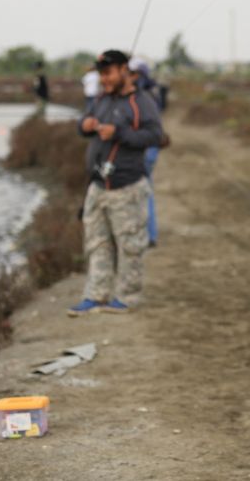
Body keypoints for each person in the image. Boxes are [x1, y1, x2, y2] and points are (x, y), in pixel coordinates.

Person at [68, 50, 163, 316]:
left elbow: (155, 136)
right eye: (101, 73)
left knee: (130, 245)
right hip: (97, 187)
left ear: (124, 70)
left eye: (108, 73)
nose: (104, 79)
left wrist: (119, 133)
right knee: (96, 244)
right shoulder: (100, 99)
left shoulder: (142, 102)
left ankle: (127, 297)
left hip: (128, 186)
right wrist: (83, 125)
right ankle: (96, 296)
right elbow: (82, 125)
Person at [128, 56, 162, 247]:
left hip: (144, 149)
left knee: (139, 190)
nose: (129, 77)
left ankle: (146, 234)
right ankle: (150, 234)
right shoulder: (153, 94)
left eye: (132, 74)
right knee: (145, 189)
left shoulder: (141, 97)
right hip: (150, 148)